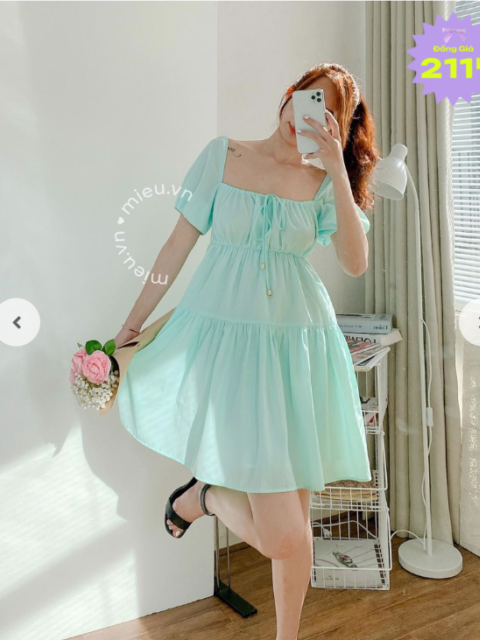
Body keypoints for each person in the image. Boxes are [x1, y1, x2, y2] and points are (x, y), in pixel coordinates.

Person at [114, 62, 378, 640]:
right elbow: (177, 244)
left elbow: (355, 262)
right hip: (232, 355)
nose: (307, 115)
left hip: (297, 352)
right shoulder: (224, 155)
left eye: (327, 112)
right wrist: (132, 323)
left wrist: (336, 169)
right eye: (306, 98)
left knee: (296, 528)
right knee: (285, 535)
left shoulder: (322, 181)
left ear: (337, 127)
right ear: (288, 96)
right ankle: (206, 497)